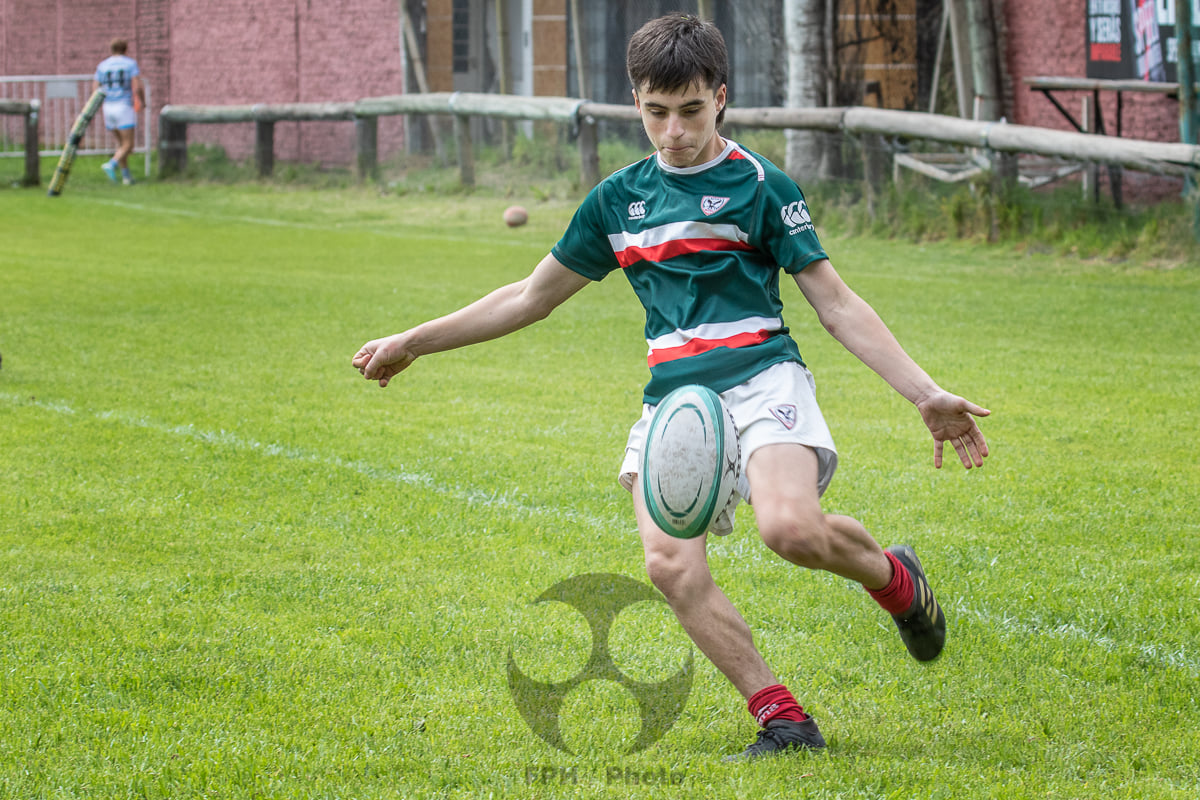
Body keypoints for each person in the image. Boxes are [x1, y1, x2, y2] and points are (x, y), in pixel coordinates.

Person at [352, 14, 989, 760]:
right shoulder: (617, 201)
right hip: (675, 403)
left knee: (791, 531)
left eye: (691, 110)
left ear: (721, 97)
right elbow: (528, 297)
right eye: (657, 113)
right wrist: (412, 342)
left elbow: (837, 304)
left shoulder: (761, 186)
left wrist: (924, 393)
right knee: (669, 565)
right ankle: (784, 721)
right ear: (636, 102)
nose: (674, 132)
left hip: (763, 379)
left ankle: (896, 580)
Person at [93, 37, 145, 186]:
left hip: (108, 106)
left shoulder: (103, 65)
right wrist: (142, 101)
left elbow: (95, 88)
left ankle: (126, 177)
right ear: (125, 49)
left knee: (121, 144)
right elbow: (137, 86)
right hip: (123, 105)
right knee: (129, 144)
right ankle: (112, 164)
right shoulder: (130, 64)